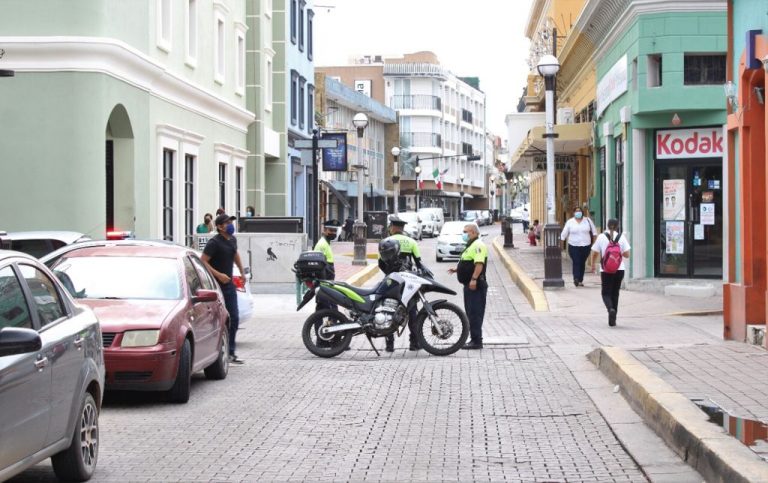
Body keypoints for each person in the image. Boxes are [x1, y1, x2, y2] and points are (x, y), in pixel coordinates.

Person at [201, 213, 246, 364]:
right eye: (227, 223)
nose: (230, 225)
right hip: (215, 287)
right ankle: (216, 352)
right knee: (217, 320)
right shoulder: (214, 243)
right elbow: (203, 261)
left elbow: (235, 254)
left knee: (234, 318)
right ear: (220, 227)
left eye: (231, 222)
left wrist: (241, 271)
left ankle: (231, 352)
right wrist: (218, 275)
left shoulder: (232, 239)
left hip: (228, 286)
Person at [380, 215, 425, 352]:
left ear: (393, 227)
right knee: (412, 311)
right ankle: (414, 343)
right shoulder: (411, 242)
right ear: (402, 228)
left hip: (391, 281)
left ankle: (390, 345)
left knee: (388, 309)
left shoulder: (386, 241)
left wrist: (389, 274)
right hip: (408, 281)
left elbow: (381, 263)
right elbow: (418, 262)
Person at [448, 224, 488, 350]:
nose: (464, 234)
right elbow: (468, 263)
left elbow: (479, 264)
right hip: (469, 285)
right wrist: (457, 270)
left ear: (474, 232)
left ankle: (477, 341)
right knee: (471, 313)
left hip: (475, 286)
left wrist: (474, 279)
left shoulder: (478, 245)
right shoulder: (471, 245)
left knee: (475, 313)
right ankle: (474, 339)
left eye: (466, 232)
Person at [590, 218, 631, 327]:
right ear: (617, 226)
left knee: (606, 293)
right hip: (619, 269)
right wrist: (618, 253)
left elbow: (594, 253)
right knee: (615, 293)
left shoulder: (601, 237)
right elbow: (627, 254)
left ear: (607, 225)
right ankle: (613, 319)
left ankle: (610, 309)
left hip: (606, 270)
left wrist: (593, 264)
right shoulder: (621, 237)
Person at [560, 206, 596, 287]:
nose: (578, 212)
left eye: (579, 211)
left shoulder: (587, 220)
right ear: (574, 213)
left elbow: (594, 233)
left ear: (582, 212)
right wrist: (561, 246)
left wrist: (593, 244)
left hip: (586, 245)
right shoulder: (570, 222)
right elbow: (563, 235)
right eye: (576, 211)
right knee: (576, 261)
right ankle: (576, 278)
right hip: (573, 245)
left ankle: (580, 280)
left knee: (582, 262)